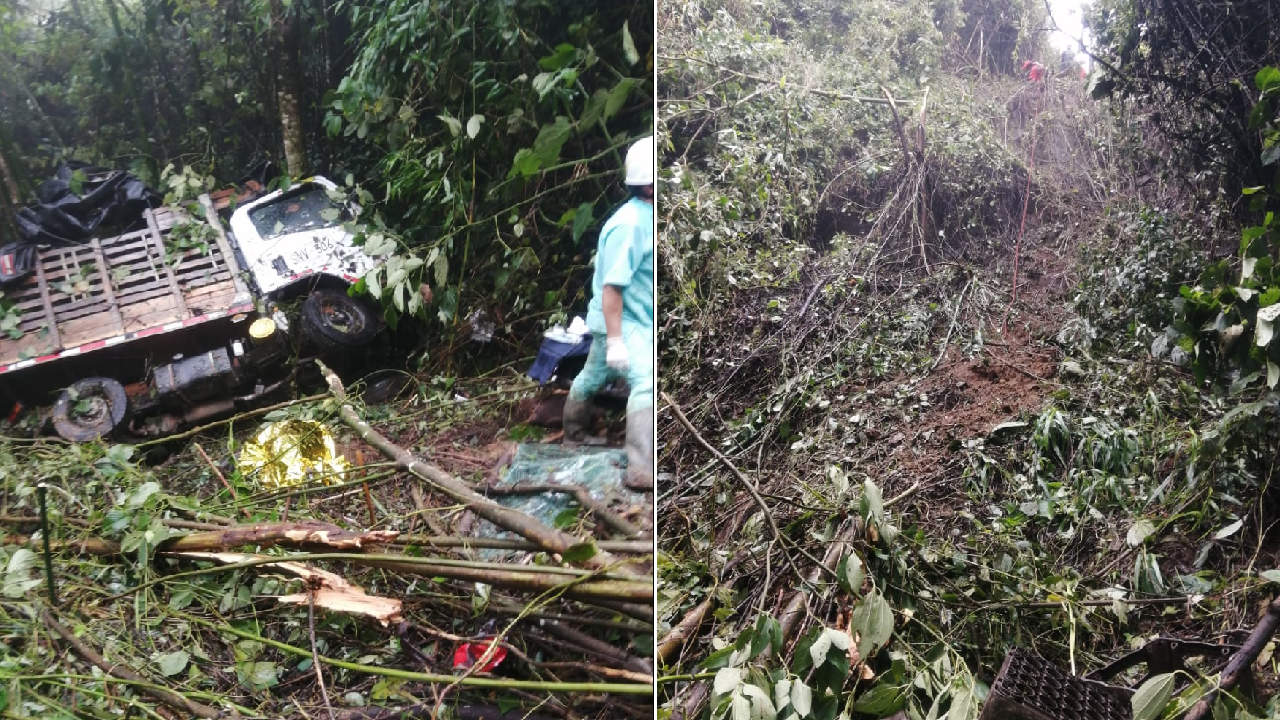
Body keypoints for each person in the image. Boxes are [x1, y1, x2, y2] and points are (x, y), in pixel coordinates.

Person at [563, 136, 654, 491]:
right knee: (645, 382)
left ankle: (574, 434)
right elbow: (612, 289)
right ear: (648, 184)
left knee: (593, 374)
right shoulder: (630, 225)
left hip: (626, 318)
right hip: (622, 320)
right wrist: (616, 340)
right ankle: (640, 467)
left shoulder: (646, 217)